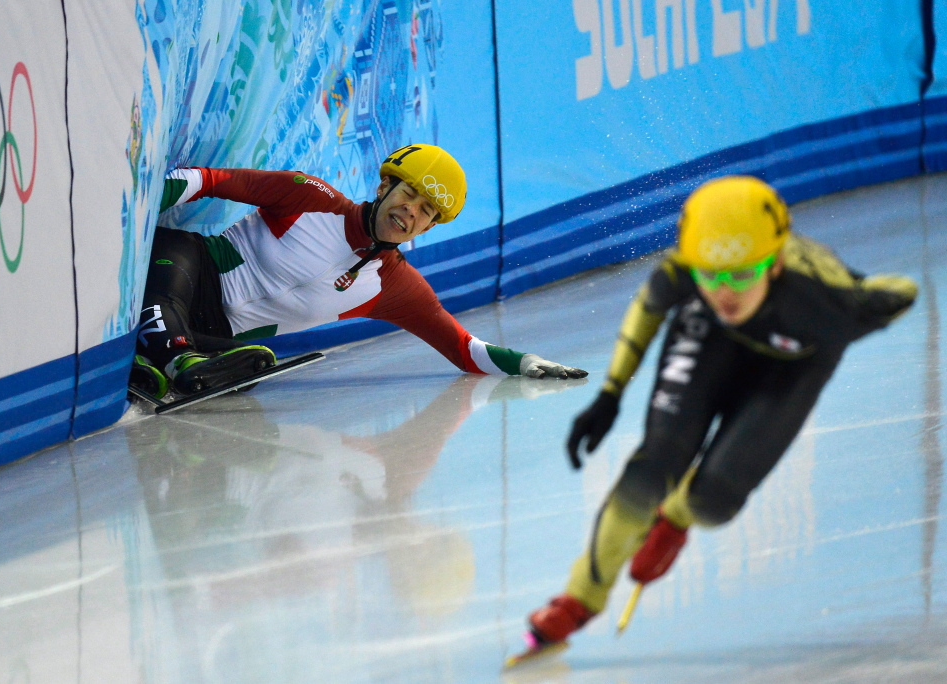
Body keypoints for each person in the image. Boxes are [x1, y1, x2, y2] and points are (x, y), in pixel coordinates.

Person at [521, 175, 918, 650]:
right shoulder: (689, 273)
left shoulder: (827, 300)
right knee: (653, 468)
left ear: (774, 266)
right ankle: (579, 600)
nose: (725, 292)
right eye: (711, 276)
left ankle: (678, 515)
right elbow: (647, 311)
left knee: (714, 502)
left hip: (792, 366)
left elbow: (903, 289)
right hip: (706, 337)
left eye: (742, 275)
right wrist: (610, 394)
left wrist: (867, 298)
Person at [129, 143, 587, 397]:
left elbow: (463, 348)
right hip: (191, 272)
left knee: (235, 357)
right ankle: (177, 360)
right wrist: (137, 206)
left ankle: (160, 363)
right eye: (408, 195)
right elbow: (208, 180)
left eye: (427, 212)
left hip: (219, 330)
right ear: (385, 184)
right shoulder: (310, 196)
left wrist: (525, 362)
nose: (411, 212)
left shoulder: (395, 286)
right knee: (172, 255)